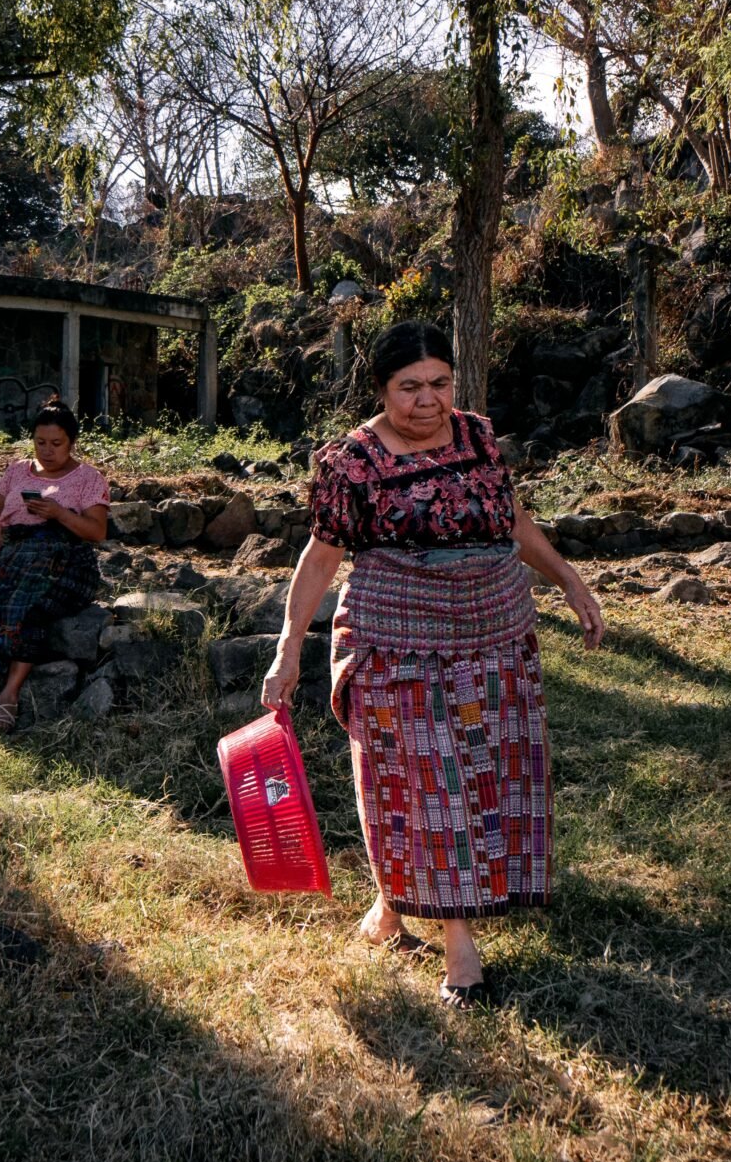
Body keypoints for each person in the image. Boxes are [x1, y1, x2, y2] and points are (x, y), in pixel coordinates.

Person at [259, 321, 605, 1009]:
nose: (427, 401)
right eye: (408, 387)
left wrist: (568, 579)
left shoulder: (476, 437)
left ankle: (391, 907)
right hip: (399, 646)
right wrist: (288, 646)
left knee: (482, 777)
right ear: (380, 389)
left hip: (494, 636)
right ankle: (460, 950)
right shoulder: (352, 463)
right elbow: (322, 556)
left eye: (440, 383)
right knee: (428, 785)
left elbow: (511, 520)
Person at [0, 398, 109, 734]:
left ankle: (10, 694)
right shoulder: (18, 471)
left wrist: (59, 513)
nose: (47, 450)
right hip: (15, 556)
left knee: (24, 608)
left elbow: (97, 532)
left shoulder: (88, 478)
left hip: (65, 561)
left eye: (56, 443)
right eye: (40, 442)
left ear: (72, 442)